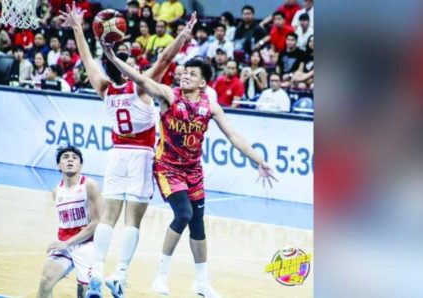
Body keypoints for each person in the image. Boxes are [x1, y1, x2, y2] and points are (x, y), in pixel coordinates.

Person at [99, 48, 277, 297]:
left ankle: (202, 282)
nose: (185, 77)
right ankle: (160, 274)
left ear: (203, 82)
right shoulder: (169, 95)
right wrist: (115, 60)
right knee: (183, 213)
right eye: (184, 73)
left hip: (193, 171)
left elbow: (233, 136)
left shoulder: (210, 107)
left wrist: (259, 160)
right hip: (167, 168)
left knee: (198, 226)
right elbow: (141, 80)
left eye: (192, 74)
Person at [60, 5, 199, 297]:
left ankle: (95, 269)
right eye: (132, 63)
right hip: (141, 156)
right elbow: (165, 58)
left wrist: (77, 28)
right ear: (128, 69)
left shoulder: (105, 89)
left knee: (108, 217)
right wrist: (183, 36)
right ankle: (120, 274)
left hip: (116, 155)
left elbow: (86, 59)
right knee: (132, 221)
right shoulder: (141, 88)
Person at [36, 146, 102, 298]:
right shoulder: (56, 191)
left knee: (85, 293)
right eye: (65, 157)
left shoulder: (89, 185)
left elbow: (97, 222)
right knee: (46, 280)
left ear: (80, 165)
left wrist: (68, 243)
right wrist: (65, 243)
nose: (70, 159)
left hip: (87, 243)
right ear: (59, 165)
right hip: (65, 243)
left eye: (74, 157)